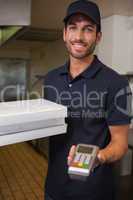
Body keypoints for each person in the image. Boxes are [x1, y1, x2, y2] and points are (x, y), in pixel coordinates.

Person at [44, 0, 131, 200]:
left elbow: (120, 143)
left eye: (88, 29)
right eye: (73, 28)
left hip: (94, 191)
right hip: (54, 189)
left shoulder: (116, 83)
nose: (79, 36)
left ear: (98, 36)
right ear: (64, 33)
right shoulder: (51, 79)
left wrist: (98, 157)